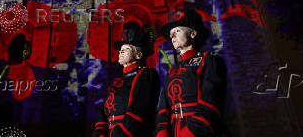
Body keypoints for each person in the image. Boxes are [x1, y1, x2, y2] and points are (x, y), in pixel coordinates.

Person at [154, 9, 226, 137]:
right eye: (171, 33)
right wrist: (162, 131)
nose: (171, 36)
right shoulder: (172, 70)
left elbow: (211, 101)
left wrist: (190, 132)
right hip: (174, 131)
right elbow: (163, 105)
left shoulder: (209, 60)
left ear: (192, 33)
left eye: (177, 31)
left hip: (198, 131)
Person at [93, 23, 161, 137]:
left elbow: (139, 109)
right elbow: (104, 111)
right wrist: (100, 133)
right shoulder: (117, 82)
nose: (120, 51)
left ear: (138, 55)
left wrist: (120, 134)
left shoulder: (146, 75)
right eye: (120, 49)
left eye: (126, 48)